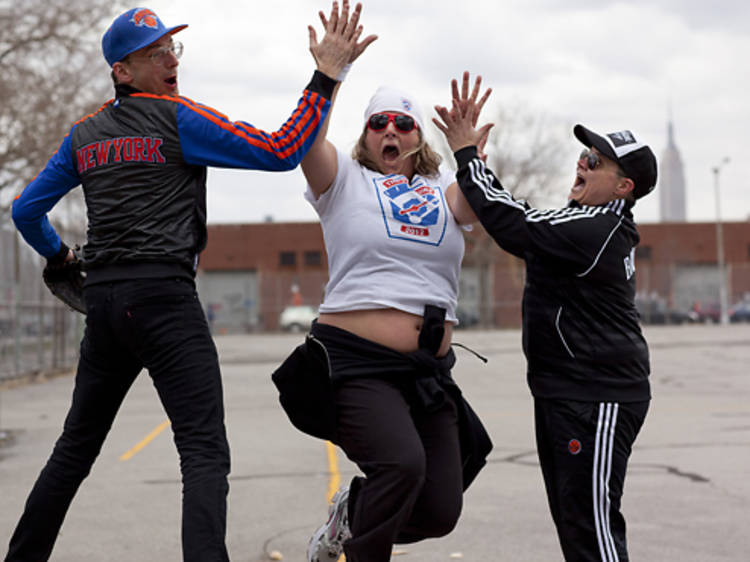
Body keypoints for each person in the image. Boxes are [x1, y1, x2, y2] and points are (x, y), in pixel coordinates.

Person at [7, 3, 370, 561]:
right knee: (202, 450)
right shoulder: (178, 117)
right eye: (155, 54)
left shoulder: (84, 135)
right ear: (122, 72)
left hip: (104, 304)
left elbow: (26, 210)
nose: (171, 59)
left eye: (173, 48)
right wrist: (326, 77)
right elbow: (281, 151)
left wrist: (61, 259)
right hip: (163, 298)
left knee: (74, 448)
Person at [434, 73, 656, 561]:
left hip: (595, 397)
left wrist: (467, 156)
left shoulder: (595, 228)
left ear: (623, 186)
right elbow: (519, 217)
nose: (581, 161)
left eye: (595, 161)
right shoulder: (585, 224)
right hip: (565, 392)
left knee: (591, 528)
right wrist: (477, 170)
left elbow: (514, 224)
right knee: (576, 526)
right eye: (583, 154)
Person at [294, 69, 492, 561]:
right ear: (365, 133)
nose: (391, 131)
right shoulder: (344, 179)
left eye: (403, 123)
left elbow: (474, 210)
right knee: (401, 466)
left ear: (419, 136)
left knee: (441, 510)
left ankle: (352, 513)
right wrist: (328, 76)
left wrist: (468, 153)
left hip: (425, 371)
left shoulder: (443, 184)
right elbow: (304, 142)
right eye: (378, 121)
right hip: (358, 364)